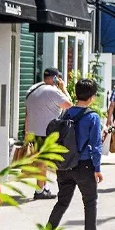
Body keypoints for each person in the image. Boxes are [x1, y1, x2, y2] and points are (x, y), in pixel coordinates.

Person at [47, 78, 109, 230]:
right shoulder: (93, 117)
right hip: (84, 165)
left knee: (62, 202)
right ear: (92, 97)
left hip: (65, 164)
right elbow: (96, 145)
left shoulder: (66, 113)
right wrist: (97, 169)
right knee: (90, 201)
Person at [24, 68, 72, 200]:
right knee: (43, 162)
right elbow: (69, 105)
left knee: (41, 160)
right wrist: (64, 88)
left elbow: (27, 114)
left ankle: (43, 187)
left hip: (34, 131)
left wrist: (26, 132)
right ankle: (39, 191)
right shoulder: (53, 91)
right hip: (48, 131)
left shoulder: (32, 90)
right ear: (56, 78)